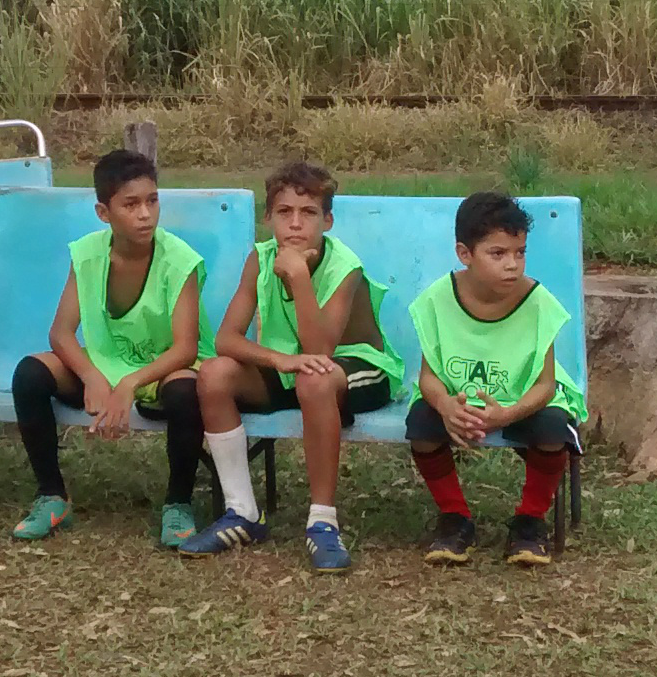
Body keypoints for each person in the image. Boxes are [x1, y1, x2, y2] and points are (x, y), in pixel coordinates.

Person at [183, 161, 401, 571]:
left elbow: (320, 349)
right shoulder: (260, 259)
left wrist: (300, 277)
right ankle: (242, 512)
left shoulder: (344, 266)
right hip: (292, 366)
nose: (295, 225)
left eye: (308, 213)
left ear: (328, 221)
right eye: (284, 213)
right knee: (215, 373)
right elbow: (227, 339)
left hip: (358, 367)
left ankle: (322, 522)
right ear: (268, 219)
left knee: (314, 380)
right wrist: (278, 358)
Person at [10, 148, 212, 545]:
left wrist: (129, 385)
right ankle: (52, 496)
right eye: (131, 204)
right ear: (104, 212)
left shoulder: (180, 260)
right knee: (30, 373)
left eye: (152, 201)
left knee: (187, 390)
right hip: (104, 366)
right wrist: (92, 377)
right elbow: (61, 332)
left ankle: (178, 503)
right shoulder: (86, 253)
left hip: (164, 368)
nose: (145, 215)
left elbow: (186, 348)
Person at [405, 192, 587, 568]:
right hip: (462, 401)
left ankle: (529, 522)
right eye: (498, 253)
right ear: (464, 253)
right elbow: (428, 377)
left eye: (520, 252)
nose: (513, 265)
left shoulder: (538, 301)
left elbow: (545, 386)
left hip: (523, 400)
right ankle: (455, 518)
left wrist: (507, 415)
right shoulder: (437, 300)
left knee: (554, 428)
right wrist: (445, 405)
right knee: (421, 421)